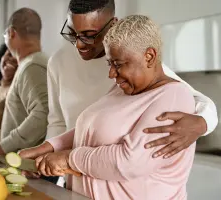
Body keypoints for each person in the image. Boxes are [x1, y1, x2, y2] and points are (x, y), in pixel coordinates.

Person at [19, 0, 217, 163]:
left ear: (113, 25)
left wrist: (201, 123)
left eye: (89, 35)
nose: (79, 44)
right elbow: (58, 122)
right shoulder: (58, 62)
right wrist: (46, 159)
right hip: (74, 173)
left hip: (115, 171)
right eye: (72, 33)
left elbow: (202, 102)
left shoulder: (135, 67)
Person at [25, 15, 196, 200]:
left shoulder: (174, 98)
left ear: (149, 57)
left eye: (118, 64)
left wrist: (68, 158)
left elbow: (129, 162)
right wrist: (50, 147)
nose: (111, 73)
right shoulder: (122, 90)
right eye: (110, 63)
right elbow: (90, 128)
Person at [0, 8, 49, 156]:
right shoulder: (36, 63)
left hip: (24, 166)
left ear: (11, 33)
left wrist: (3, 147)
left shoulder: (31, 66)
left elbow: (43, 114)